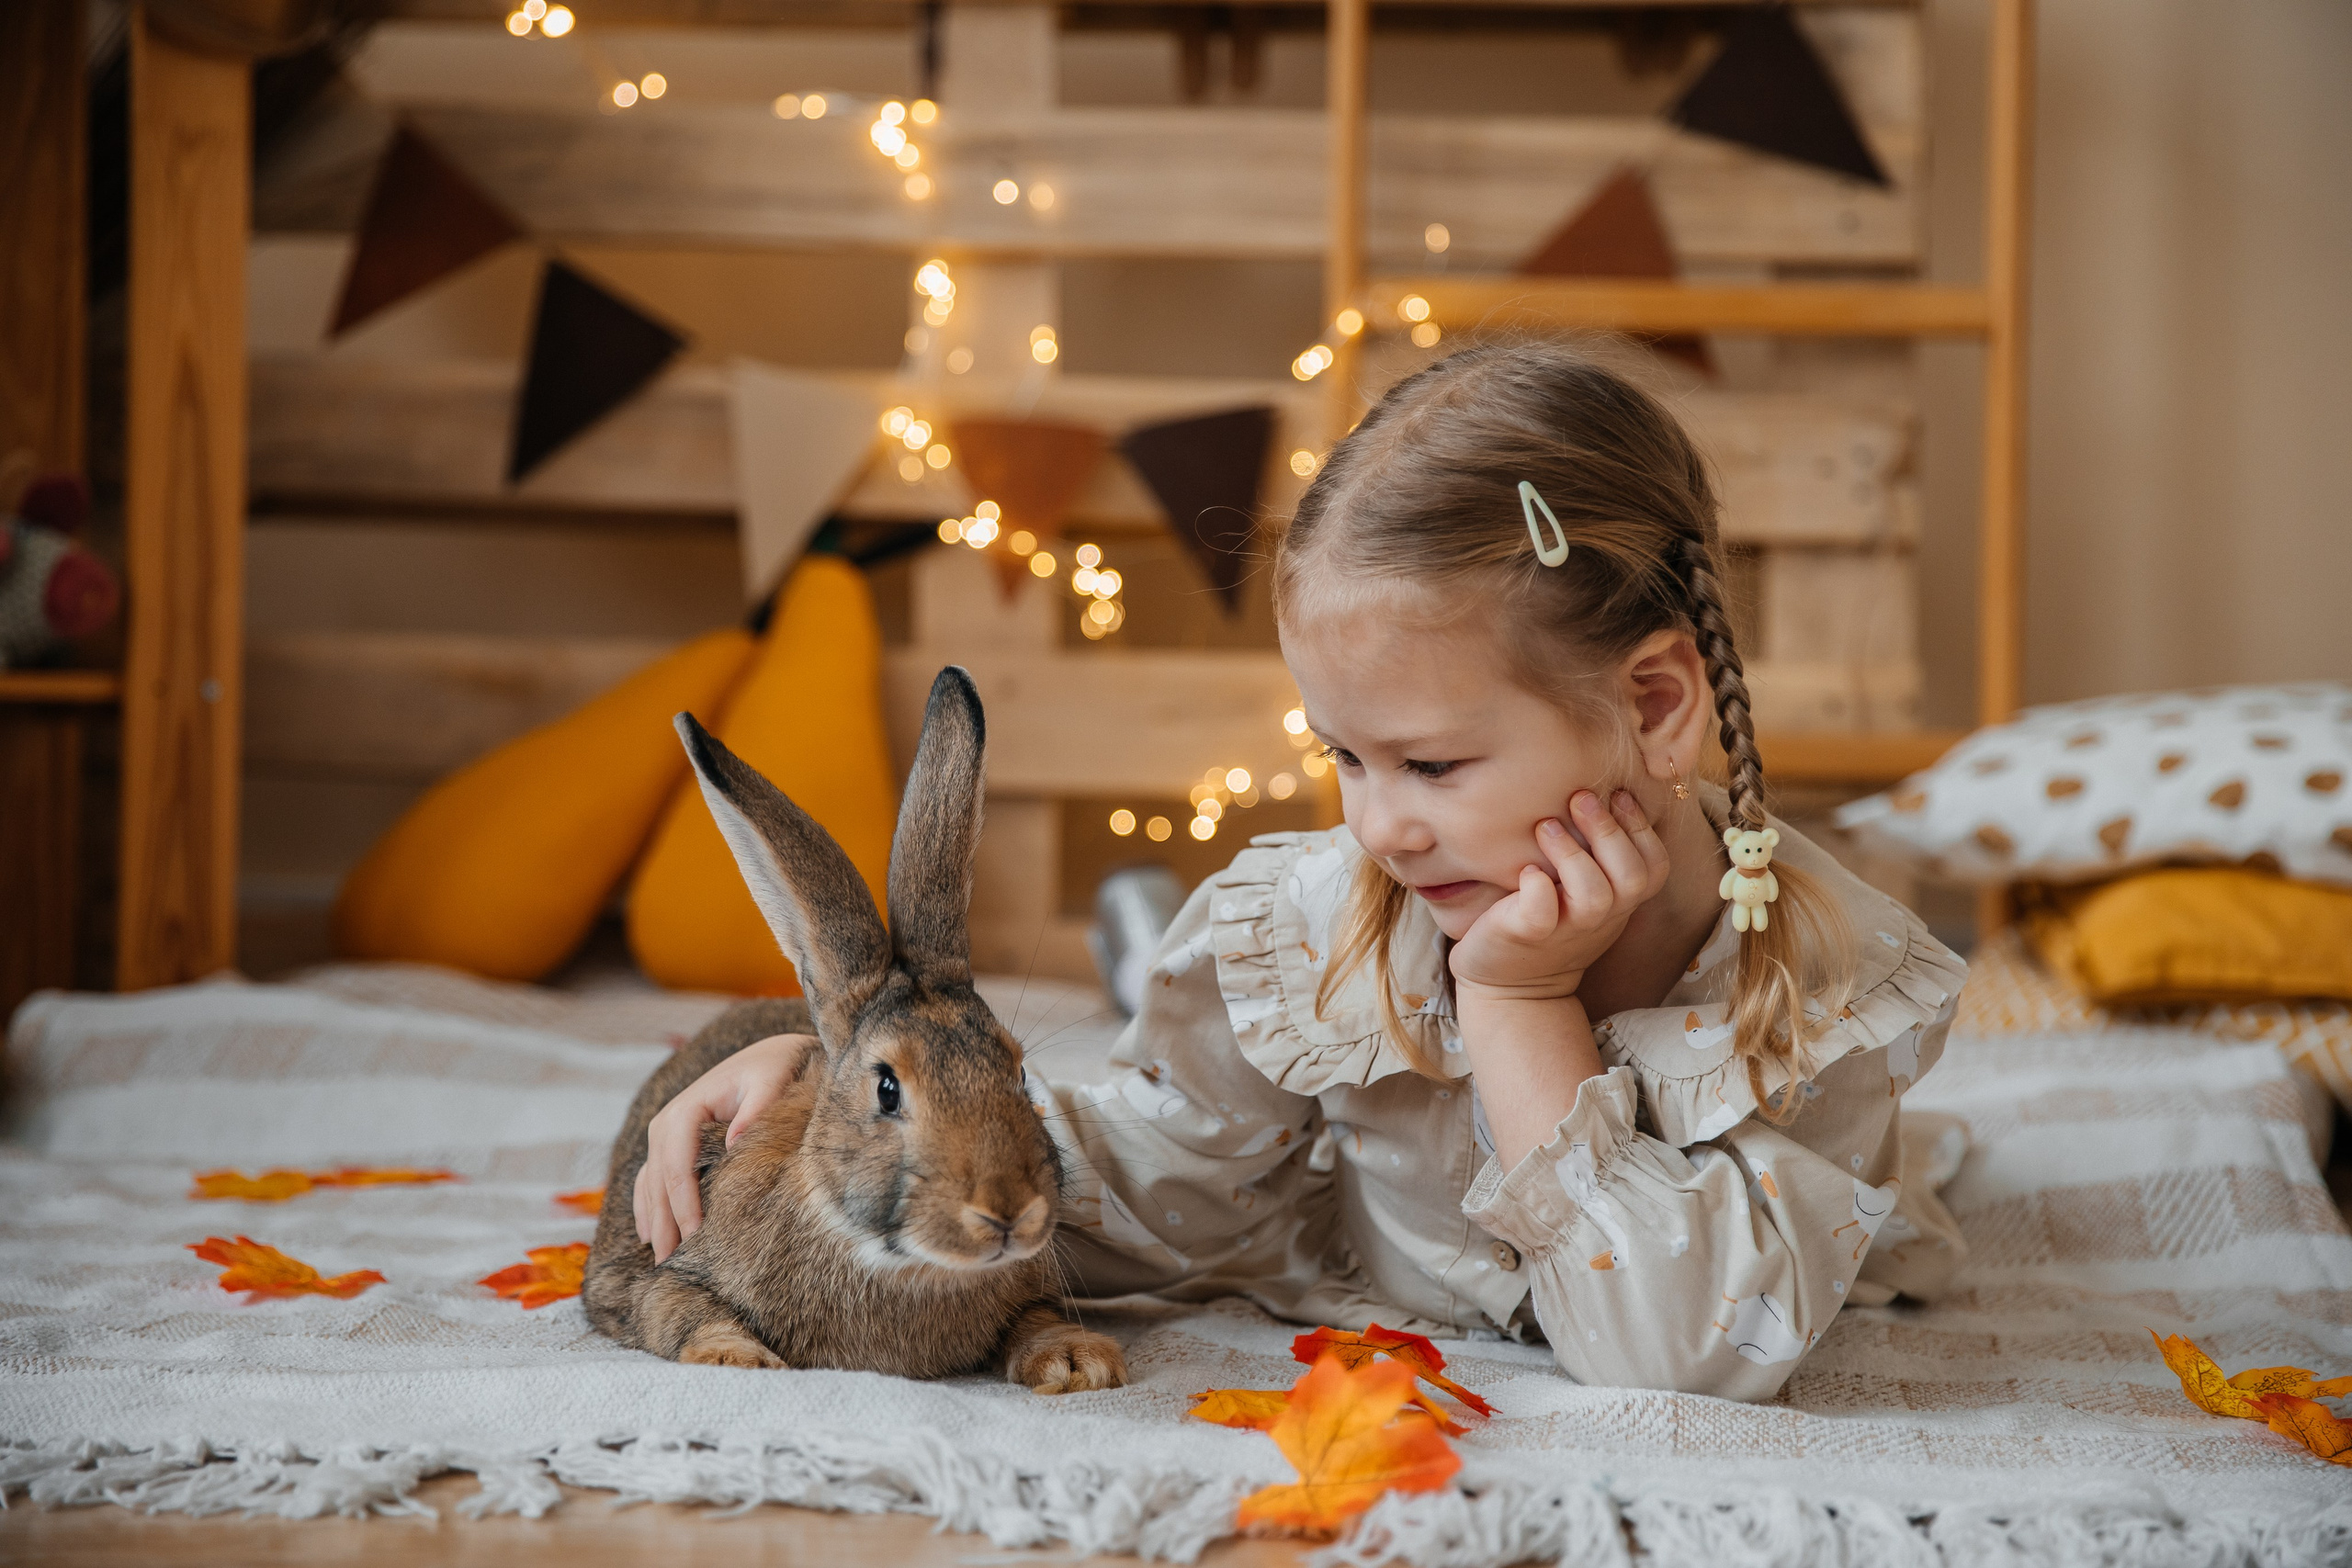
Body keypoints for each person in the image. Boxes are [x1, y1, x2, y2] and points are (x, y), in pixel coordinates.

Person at [630, 341, 1970, 1400]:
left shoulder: (1826, 994)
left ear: (1660, 706)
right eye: (1345, 757)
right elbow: (1134, 1185)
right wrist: (840, 1093)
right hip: (1264, 1131)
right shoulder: (1333, 918)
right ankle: (1138, 939)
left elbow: (1681, 1356)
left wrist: (1517, 1006)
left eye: (1432, 767)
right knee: (1218, 1046)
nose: (1379, 825)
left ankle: (1127, 933)